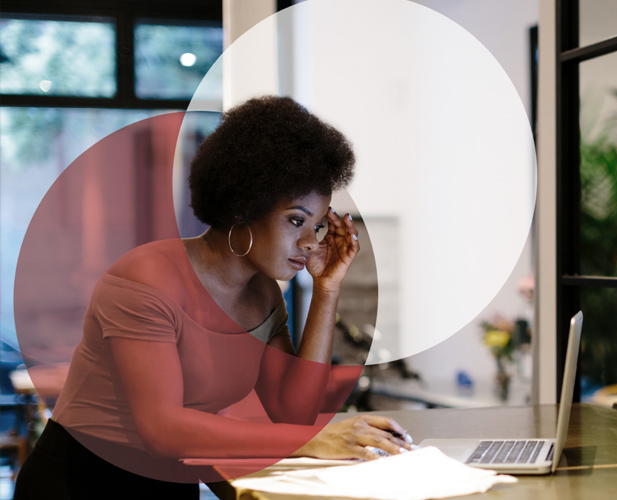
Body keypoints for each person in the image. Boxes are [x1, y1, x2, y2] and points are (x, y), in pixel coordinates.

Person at [13, 96, 413, 499]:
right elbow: (163, 428)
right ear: (245, 206)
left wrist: (327, 289)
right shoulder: (147, 278)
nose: (310, 243)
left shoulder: (263, 294)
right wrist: (310, 441)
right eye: (296, 221)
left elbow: (294, 411)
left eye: (318, 226)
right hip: (82, 483)